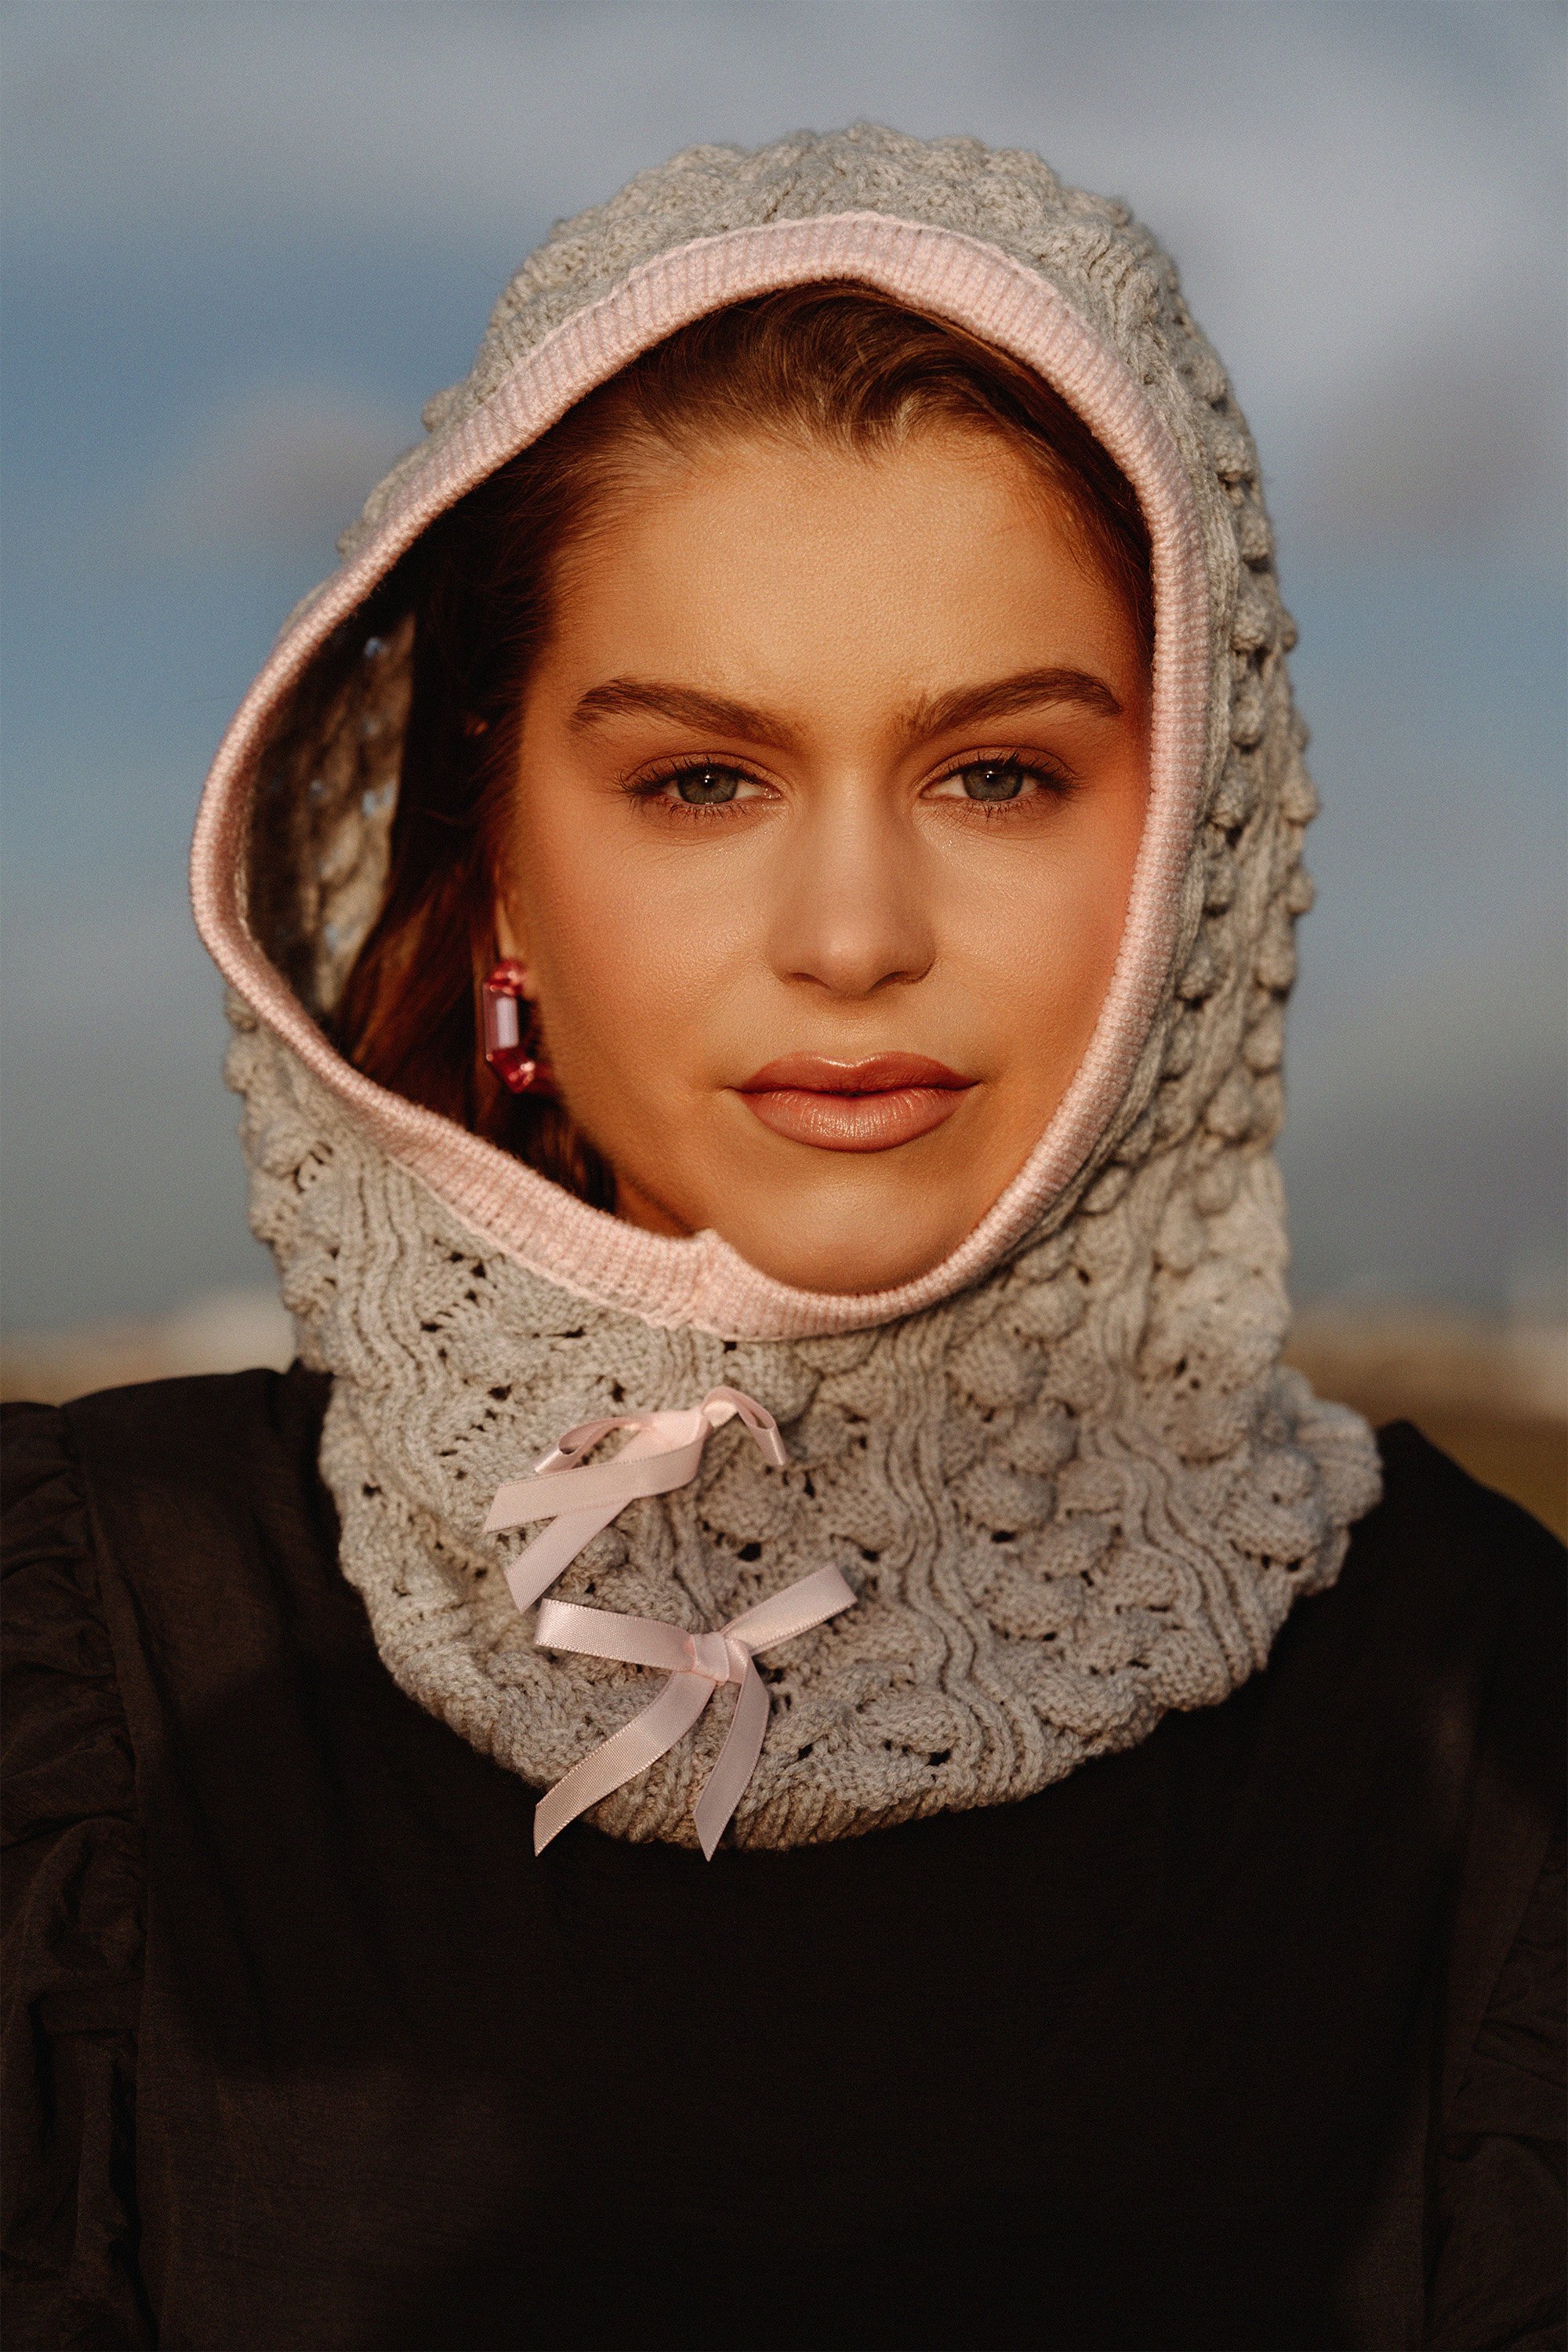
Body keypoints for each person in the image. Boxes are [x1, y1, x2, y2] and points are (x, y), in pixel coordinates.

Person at [3, 125, 1561, 2352]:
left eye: (998, 774)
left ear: (1195, 839)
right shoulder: (97, 1656)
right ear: (509, 869)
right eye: (700, 782)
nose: (852, 936)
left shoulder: (1486, 1725)